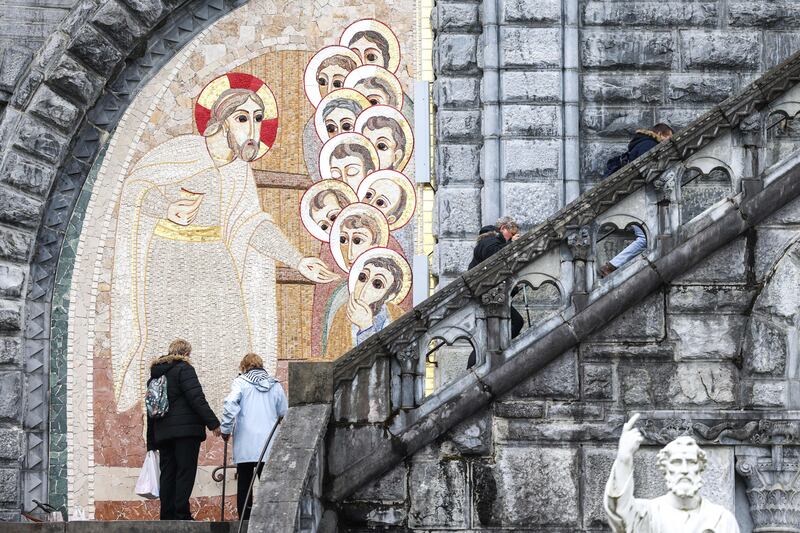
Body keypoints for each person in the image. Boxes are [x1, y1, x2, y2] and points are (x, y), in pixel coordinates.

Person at [111, 73, 337, 415]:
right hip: (168, 263)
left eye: (258, 119)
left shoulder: (237, 172)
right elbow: (135, 191)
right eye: (242, 118)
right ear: (219, 121)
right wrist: (165, 208)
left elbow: (252, 223)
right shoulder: (182, 152)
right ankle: (162, 437)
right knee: (168, 350)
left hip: (216, 263)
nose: (252, 129)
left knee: (229, 347)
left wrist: (297, 259)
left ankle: (221, 428)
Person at [604, 413, 740, 532]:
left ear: (700, 468)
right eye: (677, 462)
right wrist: (624, 459)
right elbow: (619, 513)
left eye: (691, 462)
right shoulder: (647, 515)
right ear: (665, 469)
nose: (684, 470)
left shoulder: (721, 521)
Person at [146, 339, 221, 521]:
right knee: (185, 472)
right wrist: (213, 423)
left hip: (163, 433)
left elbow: (149, 408)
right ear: (186, 353)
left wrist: (151, 440)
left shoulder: (156, 375)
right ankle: (182, 514)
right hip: (186, 433)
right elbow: (197, 398)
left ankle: (167, 514)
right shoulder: (184, 369)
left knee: (168, 472)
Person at [599, 124, 673, 277]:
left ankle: (613, 266)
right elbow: (649, 174)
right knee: (645, 238)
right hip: (633, 199)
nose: (669, 143)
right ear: (660, 133)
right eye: (668, 138)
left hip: (631, 198)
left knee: (648, 236)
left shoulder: (641, 144)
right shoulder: (649, 146)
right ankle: (611, 266)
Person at [220, 353, 287, 521]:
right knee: (268, 483)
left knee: (244, 483)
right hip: (268, 442)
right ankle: (269, 518)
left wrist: (225, 429)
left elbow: (230, 404)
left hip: (245, 441)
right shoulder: (275, 384)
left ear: (244, 367)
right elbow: (284, 412)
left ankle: (245, 519)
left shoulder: (241, 383)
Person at [468, 216, 524, 343]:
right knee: (515, 323)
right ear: (503, 228)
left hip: (490, 293)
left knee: (511, 325)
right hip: (486, 293)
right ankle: (490, 353)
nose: (513, 236)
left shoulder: (494, 240)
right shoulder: (490, 240)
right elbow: (495, 258)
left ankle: (495, 349)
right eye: (512, 233)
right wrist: (511, 244)